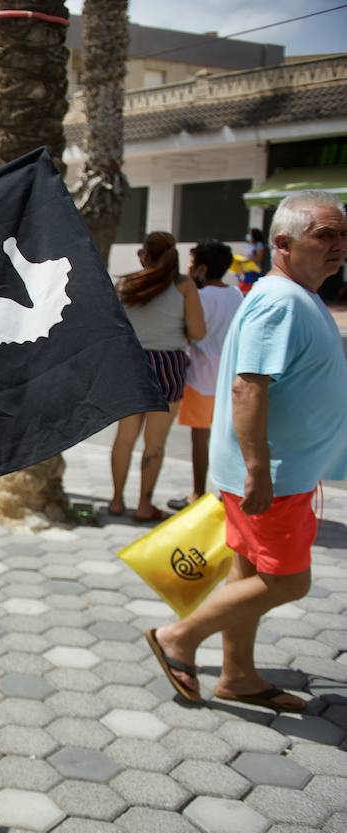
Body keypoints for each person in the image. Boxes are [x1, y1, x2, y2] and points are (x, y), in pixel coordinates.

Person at [146, 191, 347, 714]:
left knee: (249, 575)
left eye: (342, 235)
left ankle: (237, 675)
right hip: (273, 475)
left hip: (281, 471)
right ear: (282, 243)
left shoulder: (293, 295)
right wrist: (259, 467)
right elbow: (247, 387)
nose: (338, 246)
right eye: (325, 235)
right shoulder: (281, 300)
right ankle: (179, 638)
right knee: (287, 581)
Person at [109, 231, 206, 522]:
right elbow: (199, 332)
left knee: (124, 438)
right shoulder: (183, 285)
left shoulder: (126, 283)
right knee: (155, 444)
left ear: (144, 255)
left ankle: (115, 501)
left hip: (131, 364)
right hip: (168, 364)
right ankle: (143, 505)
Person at [169, 241, 242, 511]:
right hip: (230, 376)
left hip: (200, 375)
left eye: (191, 264)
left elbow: (190, 331)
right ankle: (228, 495)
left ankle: (197, 494)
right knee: (229, 438)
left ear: (201, 268)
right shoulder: (236, 294)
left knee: (200, 437)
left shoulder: (198, 297)